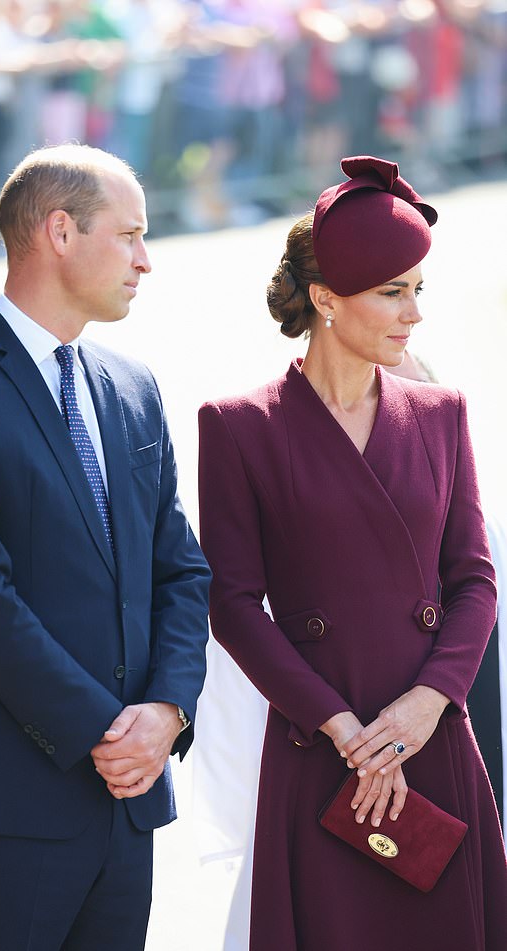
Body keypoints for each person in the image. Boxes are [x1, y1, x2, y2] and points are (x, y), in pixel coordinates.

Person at [0, 142, 210, 951]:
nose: (145, 260)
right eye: (129, 235)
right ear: (59, 232)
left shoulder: (132, 387)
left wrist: (166, 713)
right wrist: (110, 732)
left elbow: (182, 570)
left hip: (127, 804)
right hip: (3, 807)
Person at [198, 155, 507, 951]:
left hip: (431, 740)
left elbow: (474, 578)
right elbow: (232, 603)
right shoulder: (237, 424)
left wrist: (425, 704)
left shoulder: (441, 413)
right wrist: (341, 727)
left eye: (418, 289)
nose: (414, 314)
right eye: (391, 291)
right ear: (327, 300)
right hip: (319, 752)